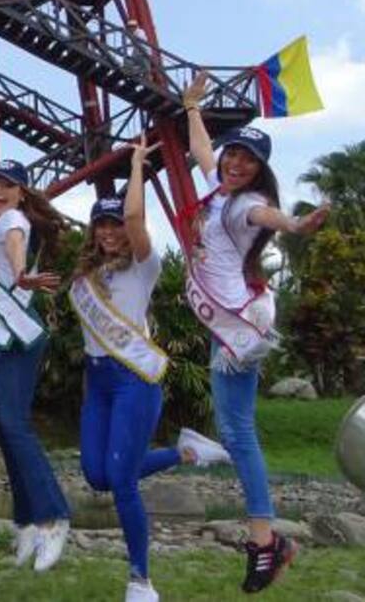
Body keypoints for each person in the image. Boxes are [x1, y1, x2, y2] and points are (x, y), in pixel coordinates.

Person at [182, 74, 329, 593]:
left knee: (239, 433)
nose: (235, 163)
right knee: (235, 430)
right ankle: (266, 539)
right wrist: (192, 107)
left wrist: (297, 226)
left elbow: (270, 215)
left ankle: (266, 542)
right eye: (234, 154)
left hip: (238, 327)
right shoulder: (219, 191)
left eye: (248, 160)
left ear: (259, 170)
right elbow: (203, 150)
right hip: (224, 322)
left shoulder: (246, 205)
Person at [71, 136, 231, 602]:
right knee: (97, 475)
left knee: (121, 482)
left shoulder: (145, 266)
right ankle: (186, 452)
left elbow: (137, 218)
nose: (109, 232)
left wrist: (138, 165)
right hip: (98, 383)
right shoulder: (88, 276)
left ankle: (141, 582)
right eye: (101, 224)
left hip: (133, 381)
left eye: (115, 224)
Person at [0, 115, 71, 572]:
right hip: (4, 330)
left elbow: (14, 243)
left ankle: (52, 517)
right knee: (7, 427)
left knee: (15, 425)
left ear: (22, 193)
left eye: (8, 184)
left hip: (19, 328)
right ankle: (26, 523)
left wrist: (20, 272)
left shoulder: (13, 220)